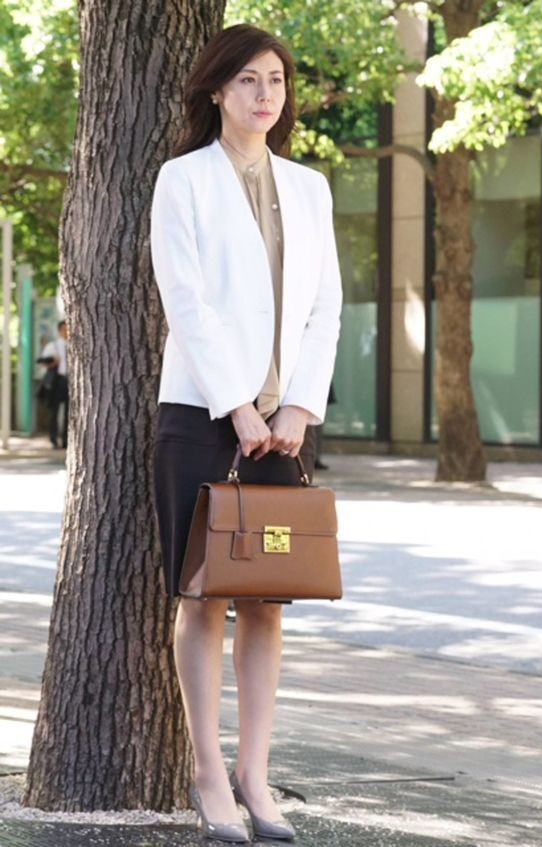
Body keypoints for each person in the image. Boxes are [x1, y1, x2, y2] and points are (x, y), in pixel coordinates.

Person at [150, 24, 342, 843]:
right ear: (217, 91)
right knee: (204, 595)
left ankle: (254, 775)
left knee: (267, 599)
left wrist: (298, 406)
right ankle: (207, 771)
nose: (267, 95)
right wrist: (237, 404)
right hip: (201, 416)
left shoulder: (309, 187)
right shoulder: (183, 179)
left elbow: (327, 305)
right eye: (249, 81)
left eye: (277, 80)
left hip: (286, 429)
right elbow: (185, 298)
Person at [39, 319, 68, 449]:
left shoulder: (76, 345)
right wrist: (55, 362)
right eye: (64, 329)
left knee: (70, 412)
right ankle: (53, 439)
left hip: (71, 381)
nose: (67, 332)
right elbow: (43, 363)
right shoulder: (53, 346)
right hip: (57, 380)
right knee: (54, 411)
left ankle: (66, 441)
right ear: (59, 331)